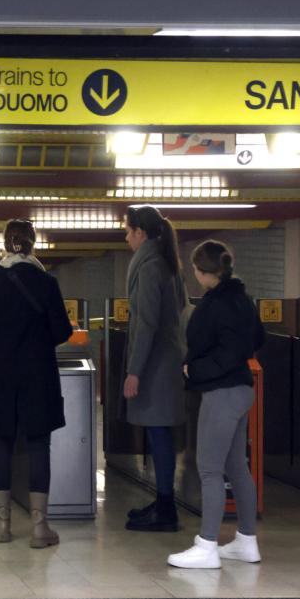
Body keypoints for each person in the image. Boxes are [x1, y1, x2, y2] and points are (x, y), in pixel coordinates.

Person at [0, 219, 74, 548]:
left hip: (1, 374)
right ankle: (40, 528)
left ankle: (2, 525)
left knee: (0, 442)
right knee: (37, 444)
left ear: (5, 244)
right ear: (33, 244)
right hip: (37, 374)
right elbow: (62, 332)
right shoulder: (46, 283)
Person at [168, 240, 265, 569]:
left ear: (202, 271)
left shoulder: (214, 304)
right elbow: (256, 340)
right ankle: (246, 541)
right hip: (241, 390)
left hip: (221, 393)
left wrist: (194, 369)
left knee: (209, 468)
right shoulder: (243, 299)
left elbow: (216, 351)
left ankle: (207, 545)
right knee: (237, 467)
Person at [122, 205, 188, 532]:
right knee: (159, 433)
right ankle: (162, 501)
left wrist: (134, 371)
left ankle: (166, 509)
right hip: (164, 362)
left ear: (141, 233)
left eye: (128, 231)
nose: (126, 236)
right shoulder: (167, 264)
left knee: (159, 434)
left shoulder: (149, 268)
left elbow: (146, 324)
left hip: (154, 367)